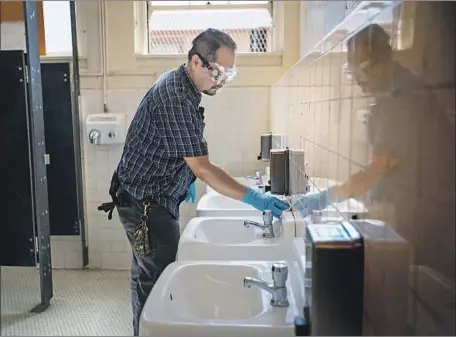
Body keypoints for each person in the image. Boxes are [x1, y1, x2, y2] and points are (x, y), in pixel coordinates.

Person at [98, 28, 289, 336]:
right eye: (219, 71)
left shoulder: (184, 88)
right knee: (159, 283)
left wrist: (183, 177)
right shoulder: (175, 96)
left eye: (230, 72)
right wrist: (256, 199)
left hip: (144, 193)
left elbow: (179, 149)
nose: (223, 80)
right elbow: (204, 168)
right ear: (197, 62)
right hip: (147, 204)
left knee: (146, 276)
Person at [296, 24, 455, 281]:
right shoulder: (389, 96)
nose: (359, 78)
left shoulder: (403, 99)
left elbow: (379, 168)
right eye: (352, 71)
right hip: (414, 207)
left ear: (386, 58)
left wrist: (328, 197)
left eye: (364, 69)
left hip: (428, 213)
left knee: (420, 285)